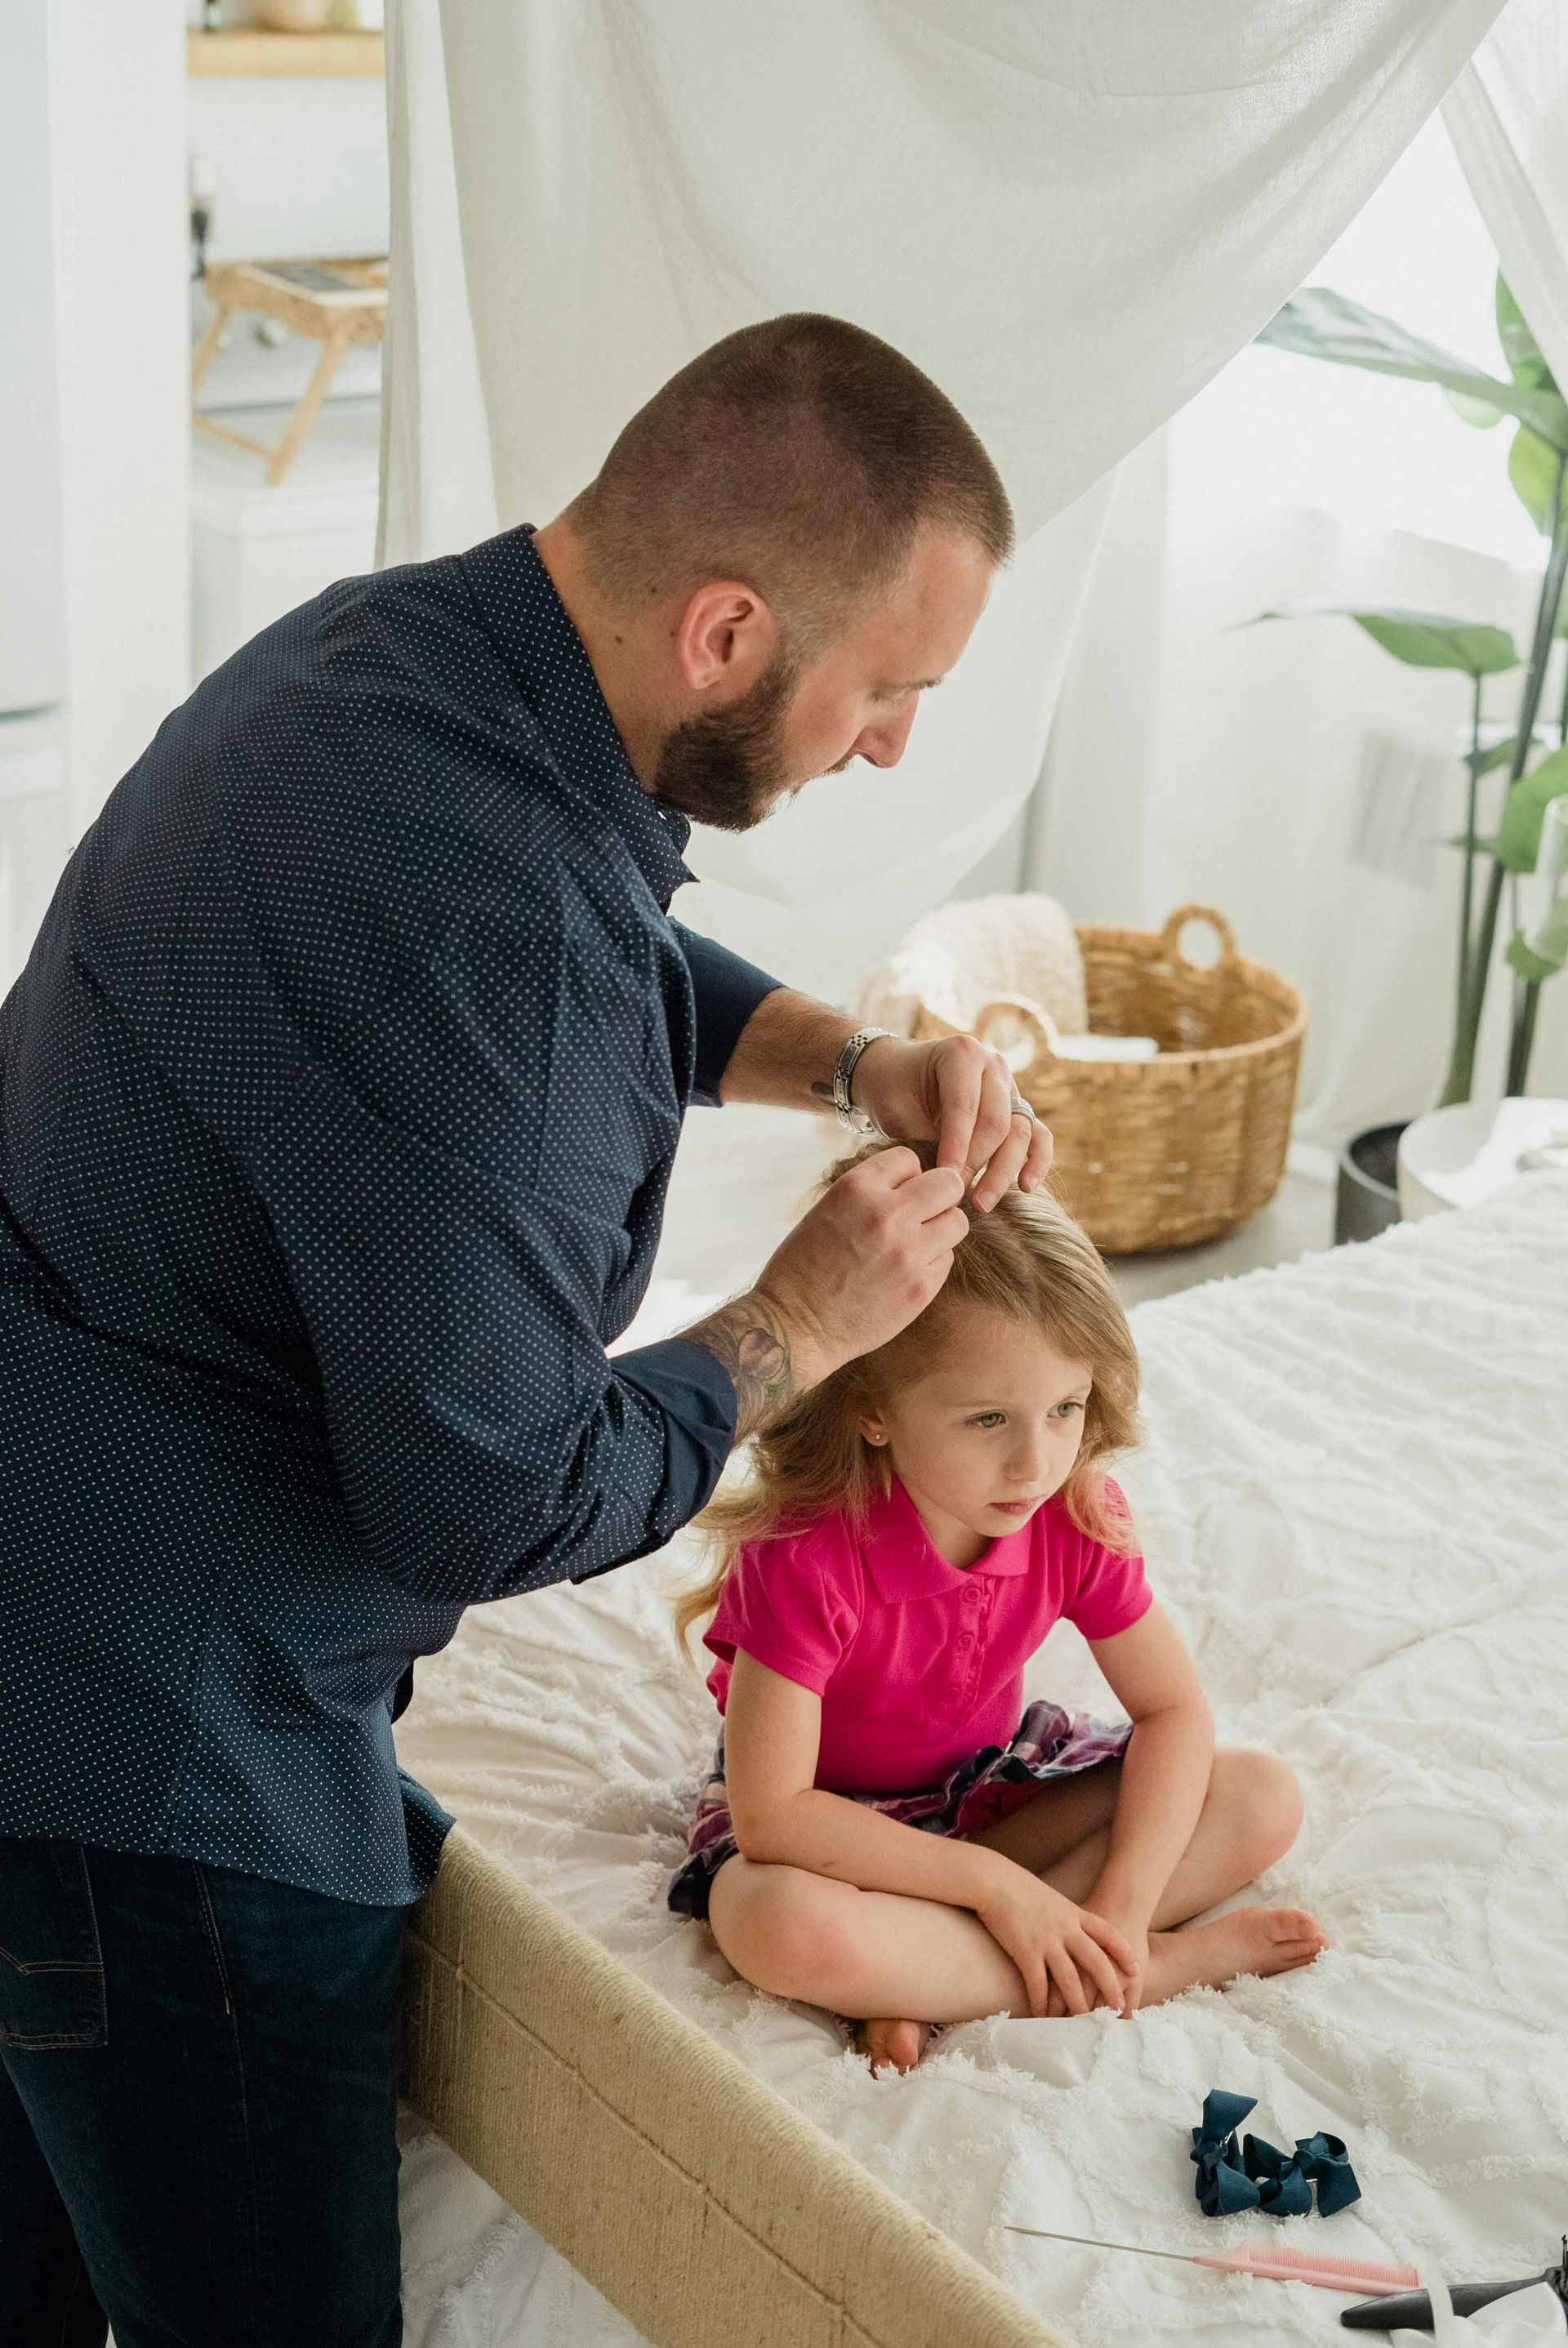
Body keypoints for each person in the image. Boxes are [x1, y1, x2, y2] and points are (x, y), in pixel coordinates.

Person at [0, 316, 1051, 2346]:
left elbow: (599, 936)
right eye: (890, 687)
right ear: (731, 631)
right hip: (147, 1743)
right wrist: (793, 1325)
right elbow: (484, 1497)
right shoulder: (492, 931)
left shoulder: (390, 660)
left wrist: (850, 1054)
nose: (900, 739)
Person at [669, 1146, 1326, 2075]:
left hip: (987, 1793)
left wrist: (1122, 1914)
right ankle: (1114, 1971)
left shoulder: (1075, 1513)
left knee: (1261, 1793)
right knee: (775, 1924)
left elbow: (1174, 1713)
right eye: (988, 1420)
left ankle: (1020, 1971)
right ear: (872, 1409)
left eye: (1065, 1407)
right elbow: (775, 1817)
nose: (1036, 1463)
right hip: (829, 1833)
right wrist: (994, 1888)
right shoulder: (802, 1548)